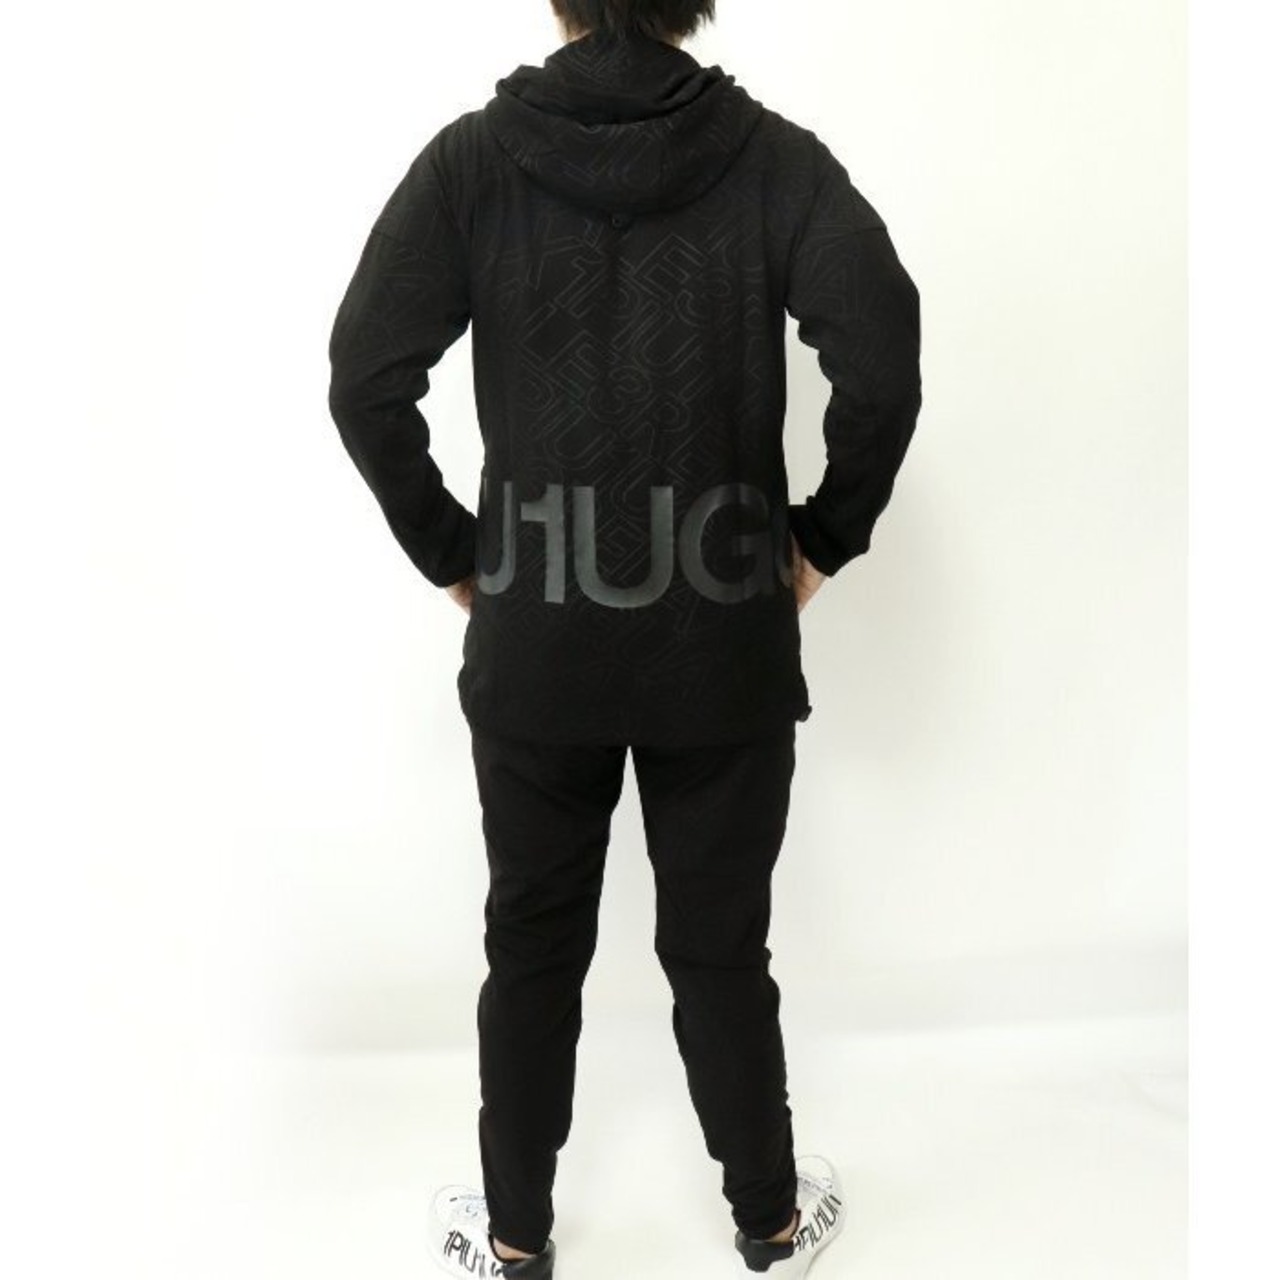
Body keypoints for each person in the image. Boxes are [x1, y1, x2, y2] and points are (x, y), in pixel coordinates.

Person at [327, 1, 923, 1275]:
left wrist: (458, 554)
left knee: (531, 946)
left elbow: (363, 374)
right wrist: (819, 540)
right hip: (722, 642)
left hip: (537, 640)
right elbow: (880, 353)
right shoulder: (771, 161)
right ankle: (768, 1221)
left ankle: (512, 1238)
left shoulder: (472, 166)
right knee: (720, 948)